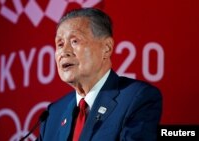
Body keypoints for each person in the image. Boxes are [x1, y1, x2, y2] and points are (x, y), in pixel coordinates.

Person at [37, 7, 162, 141]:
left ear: (107, 48)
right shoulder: (53, 114)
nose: (64, 52)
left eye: (75, 41)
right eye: (60, 44)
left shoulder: (136, 98)